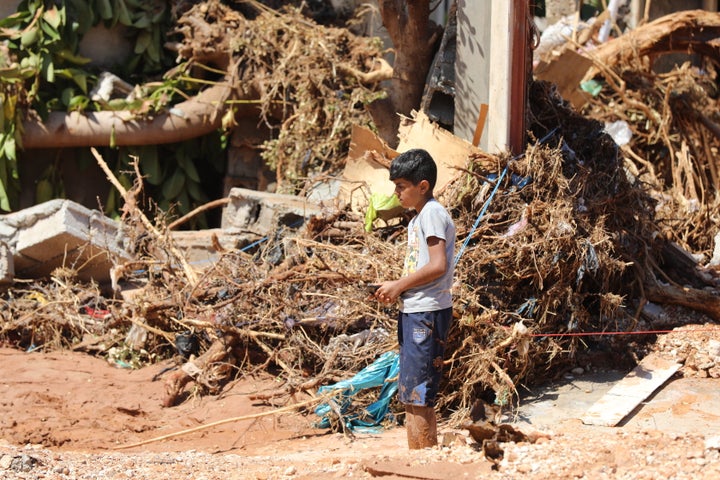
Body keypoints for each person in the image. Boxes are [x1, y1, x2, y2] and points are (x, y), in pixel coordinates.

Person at [374, 148, 456, 449]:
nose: (396, 193)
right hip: (415, 309)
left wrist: (399, 285)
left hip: (427, 311)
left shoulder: (433, 214)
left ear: (423, 186)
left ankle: (424, 459)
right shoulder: (419, 218)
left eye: (401, 186)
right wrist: (396, 287)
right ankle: (418, 454)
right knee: (410, 389)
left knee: (419, 390)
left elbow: (437, 266)